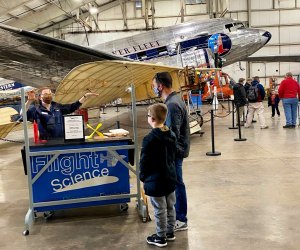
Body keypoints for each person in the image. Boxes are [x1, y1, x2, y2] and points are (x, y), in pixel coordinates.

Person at [152, 72, 190, 231]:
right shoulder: (174, 100)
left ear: (160, 86)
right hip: (177, 150)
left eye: (154, 86)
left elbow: (172, 134)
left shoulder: (172, 104)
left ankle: (180, 219)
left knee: (176, 183)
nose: (153, 88)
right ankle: (177, 216)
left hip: (175, 152)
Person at [139, 103, 177, 247]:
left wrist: (142, 176)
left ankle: (160, 237)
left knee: (159, 209)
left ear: (153, 119)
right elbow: (173, 156)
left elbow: (145, 161)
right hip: (170, 177)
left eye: (148, 116)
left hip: (155, 180)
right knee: (170, 206)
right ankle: (170, 232)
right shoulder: (171, 134)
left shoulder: (149, 139)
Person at [23, 87, 98, 140]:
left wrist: (85, 96)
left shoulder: (57, 106)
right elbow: (23, 115)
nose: (48, 96)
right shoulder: (36, 109)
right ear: (40, 97)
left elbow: (73, 107)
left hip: (61, 141)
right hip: (45, 143)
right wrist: (29, 101)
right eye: (46, 94)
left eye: (50, 94)